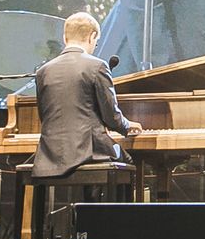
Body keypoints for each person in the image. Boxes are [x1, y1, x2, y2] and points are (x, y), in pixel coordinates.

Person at [33, 12, 143, 180]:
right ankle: (102, 198)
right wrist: (127, 126)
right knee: (128, 160)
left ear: (65, 37)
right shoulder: (97, 66)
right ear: (92, 36)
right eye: (96, 42)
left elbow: (44, 115)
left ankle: (87, 197)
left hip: (49, 153)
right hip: (89, 151)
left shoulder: (43, 71)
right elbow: (111, 117)